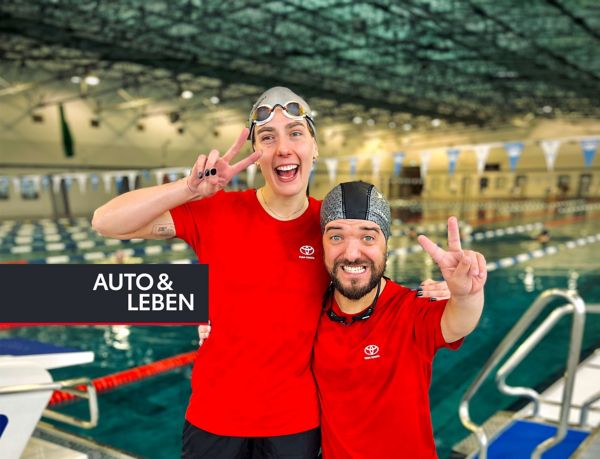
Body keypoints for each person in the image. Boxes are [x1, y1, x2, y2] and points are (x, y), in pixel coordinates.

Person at [93, 87, 446, 458]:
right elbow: (106, 222)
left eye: (295, 133)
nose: (283, 148)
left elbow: (364, 281)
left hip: (294, 424)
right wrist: (188, 189)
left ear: (314, 147)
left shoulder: (329, 227)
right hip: (214, 417)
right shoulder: (215, 211)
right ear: (255, 154)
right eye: (268, 137)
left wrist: (434, 296)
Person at [313, 181, 486, 459]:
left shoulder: (410, 310)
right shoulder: (314, 311)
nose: (352, 253)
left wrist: (466, 296)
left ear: (386, 246)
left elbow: (458, 323)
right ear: (321, 243)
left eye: (368, 237)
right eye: (336, 237)